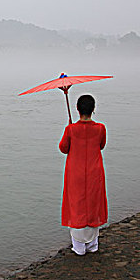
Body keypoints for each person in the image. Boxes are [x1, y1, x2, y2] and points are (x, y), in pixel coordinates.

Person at [59, 94, 108, 256]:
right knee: (94, 203)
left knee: (76, 205)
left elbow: (63, 148)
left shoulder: (71, 129)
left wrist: (70, 130)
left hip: (75, 172)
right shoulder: (100, 128)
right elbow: (101, 146)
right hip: (94, 170)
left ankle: (79, 247)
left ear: (77, 109)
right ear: (93, 109)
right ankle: (93, 244)